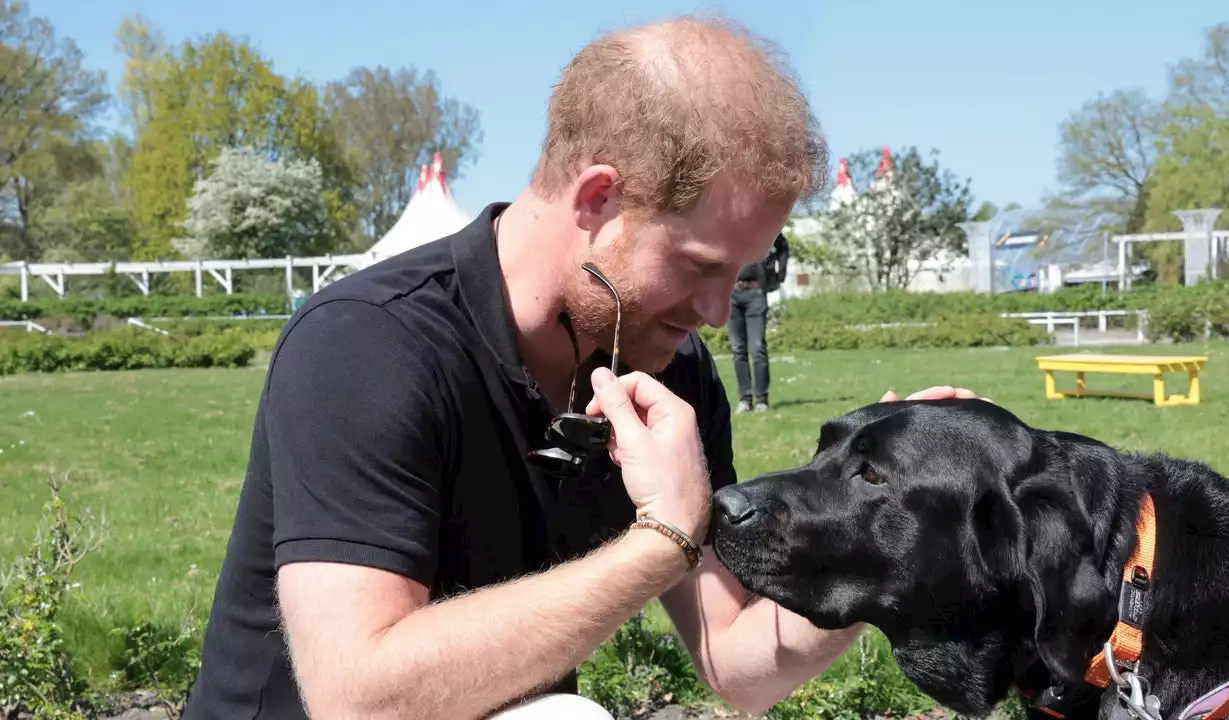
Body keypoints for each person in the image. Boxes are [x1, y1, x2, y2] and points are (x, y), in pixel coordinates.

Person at [183, 14, 981, 720]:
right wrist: (661, 540)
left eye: (738, 276)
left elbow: (738, 662)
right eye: (701, 265)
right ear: (598, 197)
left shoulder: (668, 364)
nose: (715, 311)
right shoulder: (368, 344)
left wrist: (880, 545)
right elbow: (359, 699)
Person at [728, 232, 789, 412]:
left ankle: (762, 400)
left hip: (756, 294)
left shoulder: (760, 220)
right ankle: (745, 400)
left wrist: (780, 274)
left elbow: (783, 247)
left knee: (757, 348)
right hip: (732, 294)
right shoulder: (726, 222)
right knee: (738, 349)